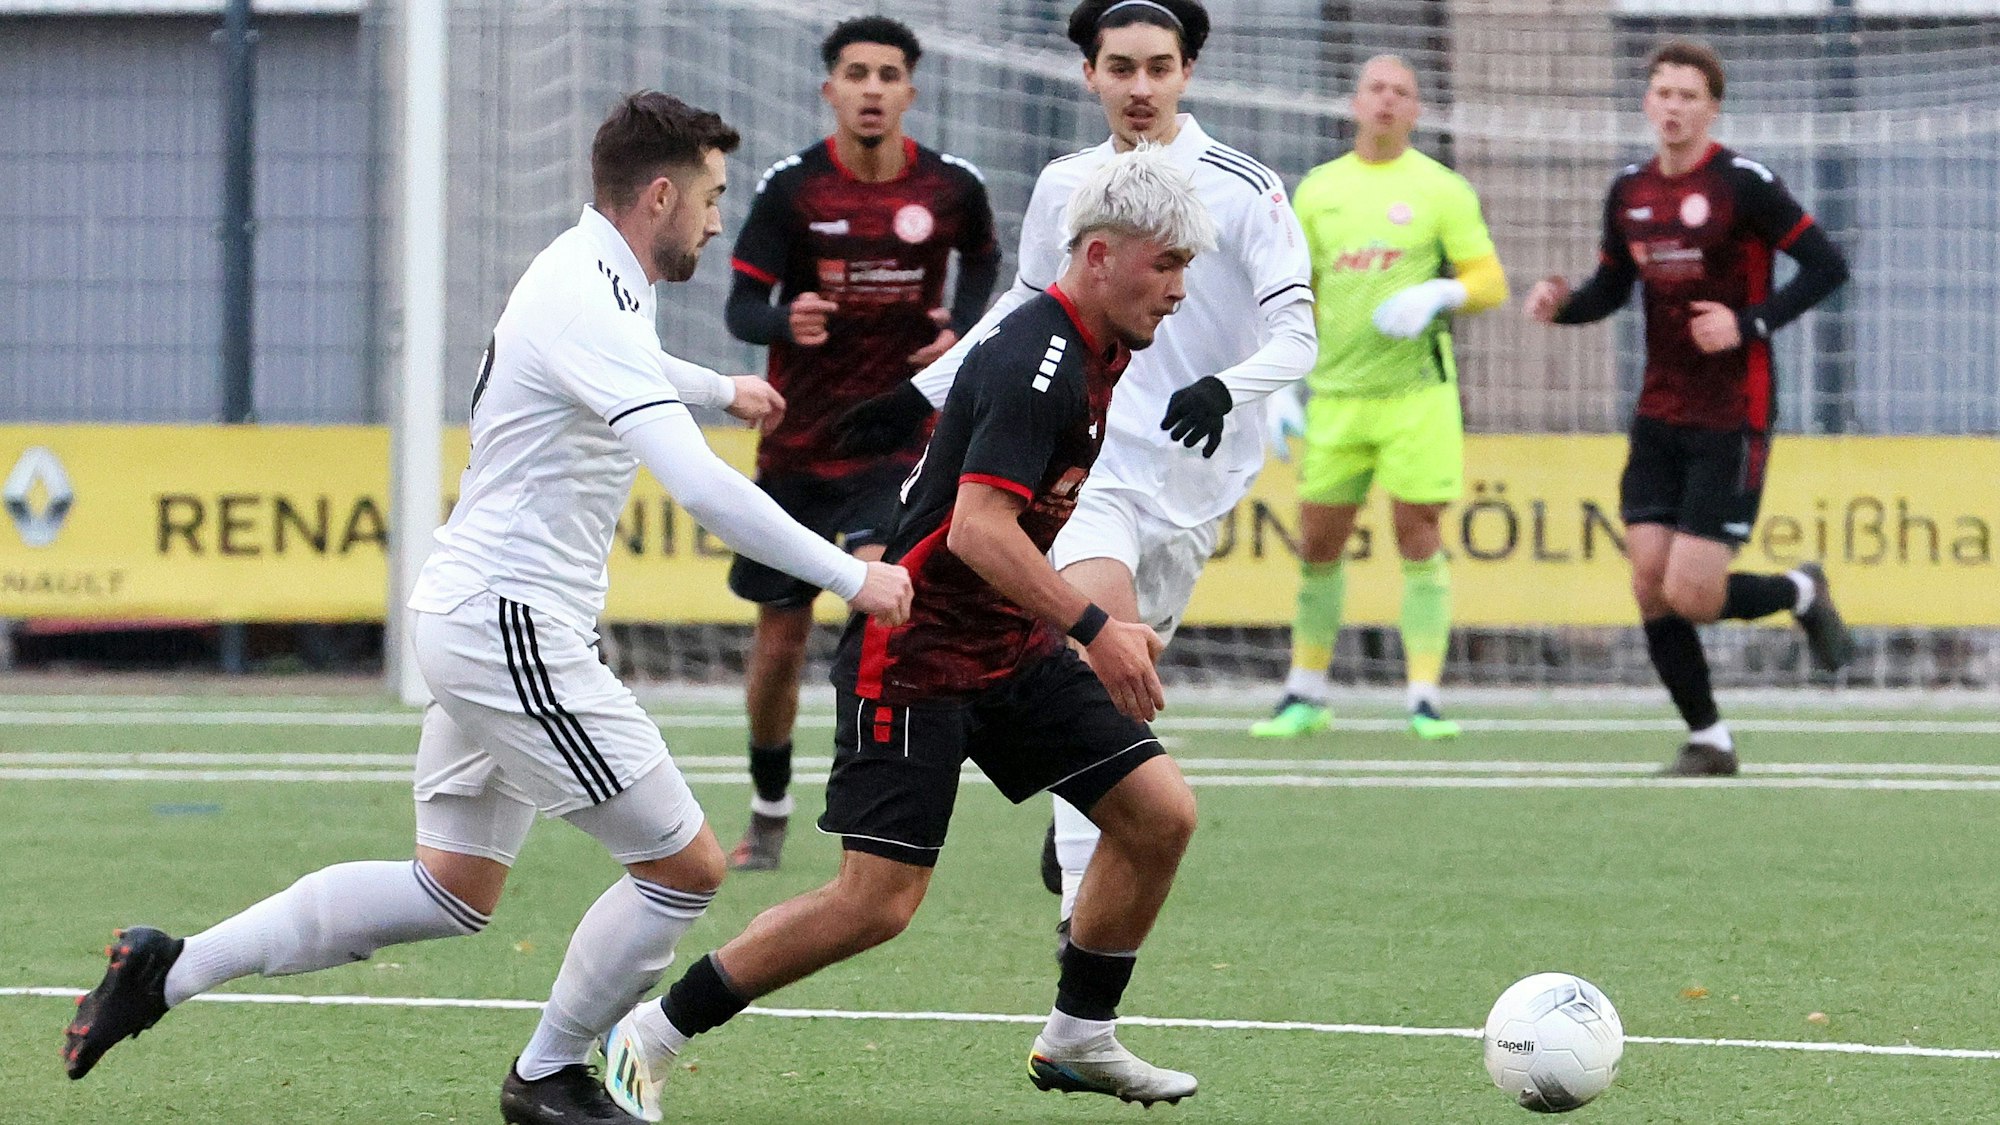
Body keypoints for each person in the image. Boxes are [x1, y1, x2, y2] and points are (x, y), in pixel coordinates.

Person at [59, 92, 912, 1125]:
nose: (715, 220)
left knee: (451, 890)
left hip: (476, 616)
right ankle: (549, 1076)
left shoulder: (591, 275)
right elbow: (698, 488)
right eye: (709, 198)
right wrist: (848, 574)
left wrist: (713, 386)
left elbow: (602, 363)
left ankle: (171, 968)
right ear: (658, 194)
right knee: (683, 867)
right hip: (510, 623)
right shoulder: (588, 294)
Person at [597, 146, 1214, 1120]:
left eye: (1186, 268)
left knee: (1157, 815)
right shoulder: (1037, 358)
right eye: (1165, 265)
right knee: (873, 904)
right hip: (915, 658)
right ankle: (649, 1032)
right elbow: (975, 529)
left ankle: (1078, 1037)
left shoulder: (1099, 346)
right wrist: (1097, 627)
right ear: (1097, 255)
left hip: (1004, 648)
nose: (1179, 291)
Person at [835, 0, 1315, 940]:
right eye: (1120, 68)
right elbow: (1020, 311)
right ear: (1088, 75)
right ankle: (1078, 910)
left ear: (1187, 75)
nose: (1140, 88)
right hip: (1086, 476)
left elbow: (1298, 334)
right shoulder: (1068, 184)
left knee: (1117, 692)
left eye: (1159, 68)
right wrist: (920, 395)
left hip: (1195, 484)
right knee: (1090, 656)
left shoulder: (1244, 187)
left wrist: (1226, 386)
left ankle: (1082, 824)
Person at [1527, 40, 1852, 777]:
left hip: (1734, 414)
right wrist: (1562, 306)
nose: (1673, 107)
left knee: (1692, 593)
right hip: (1659, 413)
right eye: (1662, 93)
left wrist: (1748, 322)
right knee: (1648, 581)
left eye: (1688, 95)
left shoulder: (1744, 184)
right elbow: (1613, 288)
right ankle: (1710, 736)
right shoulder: (1630, 192)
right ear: (1647, 103)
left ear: (1712, 106)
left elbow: (1829, 266)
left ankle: (1801, 590)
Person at [721, 16, 999, 872]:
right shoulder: (792, 188)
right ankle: (770, 807)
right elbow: (741, 308)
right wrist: (783, 318)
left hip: (900, 444)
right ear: (829, 90)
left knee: (882, 605)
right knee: (780, 643)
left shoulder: (952, 187)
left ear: (910, 91)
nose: (872, 89)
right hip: (798, 452)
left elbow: (990, 270)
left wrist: (960, 332)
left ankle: (872, 799)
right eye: (856, 74)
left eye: (887, 75)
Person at [1249, 55, 1509, 742]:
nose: (1388, 101)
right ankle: (1305, 691)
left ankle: (1423, 695)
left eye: (1402, 92)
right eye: (1376, 89)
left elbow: (1490, 281)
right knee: (1317, 542)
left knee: (1418, 534)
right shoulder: (1318, 190)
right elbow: (1290, 293)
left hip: (1416, 396)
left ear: (1417, 110)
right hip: (1335, 397)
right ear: (1355, 101)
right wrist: (1279, 386)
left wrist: (1441, 291)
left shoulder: (1441, 188)